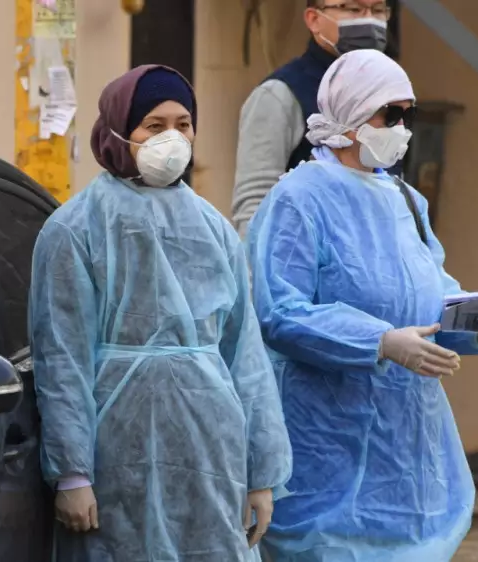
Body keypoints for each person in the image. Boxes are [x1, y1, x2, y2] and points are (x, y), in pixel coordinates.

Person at [247, 50, 478, 561]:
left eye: (406, 114)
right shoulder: (299, 199)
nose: (401, 128)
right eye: (389, 114)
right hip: (328, 453)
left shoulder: (406, 201)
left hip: (408, 464)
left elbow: (432, 293)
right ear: (351, 114)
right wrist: (378, 341)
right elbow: (280, 312)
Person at [29, 64, 292, 562]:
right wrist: (72, 474)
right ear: (117, 131)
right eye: (154, 125)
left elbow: (246, 358)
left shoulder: (214, 229)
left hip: (212, 452)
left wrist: (261, 475)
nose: (172, 137)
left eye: (183, 124)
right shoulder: (74, 230)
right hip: (115, 453)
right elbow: (61, 358)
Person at [232, 0, 393, 237]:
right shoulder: (280, 94)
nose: (368, 19)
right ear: (314, 19)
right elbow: (255, 205)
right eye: (353, 9)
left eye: (378, 10)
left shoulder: (387, 93)